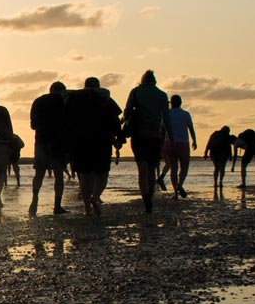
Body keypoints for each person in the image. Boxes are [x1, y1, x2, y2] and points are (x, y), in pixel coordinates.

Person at [65, 77, 122, 217]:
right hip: (102, 141)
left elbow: (66, 119)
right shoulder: (105, 99)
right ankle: (95, 197)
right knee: (102, 174)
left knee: (84, 176)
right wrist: (119, 138)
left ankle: (87, 209)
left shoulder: (74, 99)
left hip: (80, 142)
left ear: (85, 86)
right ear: (98, 86)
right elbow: (115, 120)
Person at [122, 70, 172, 214]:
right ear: (155, 82)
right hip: (154, 136)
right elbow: (166, 118)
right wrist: (171, 136)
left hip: (139, 136)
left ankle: (146, 201)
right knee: (151, 169)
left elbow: (126, 113)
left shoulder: (136, 91)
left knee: (141, 169)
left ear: (142, 80)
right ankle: (150, 196)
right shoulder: (162, 95)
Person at [28, 81, 69, 216]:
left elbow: (33, 125)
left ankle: (34, 200)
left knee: (39, 173)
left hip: (41, 140)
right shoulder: (64, 100)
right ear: (63, 90)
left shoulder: (38, 101)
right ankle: (57, 205)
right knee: (58, 174)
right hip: (58, 142)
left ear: (50, 90)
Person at [162, 95, 197, 198]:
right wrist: (194, 140)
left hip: (170, 142)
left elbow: (163, 130)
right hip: (183, 143)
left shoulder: (167, 113)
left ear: (171, 103)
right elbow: (191, 128)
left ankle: (175, 192)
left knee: (173, 167)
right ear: (180, 102)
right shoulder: (186, 114)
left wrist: (162, 143)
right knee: (184, 166)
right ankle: (180, 185)